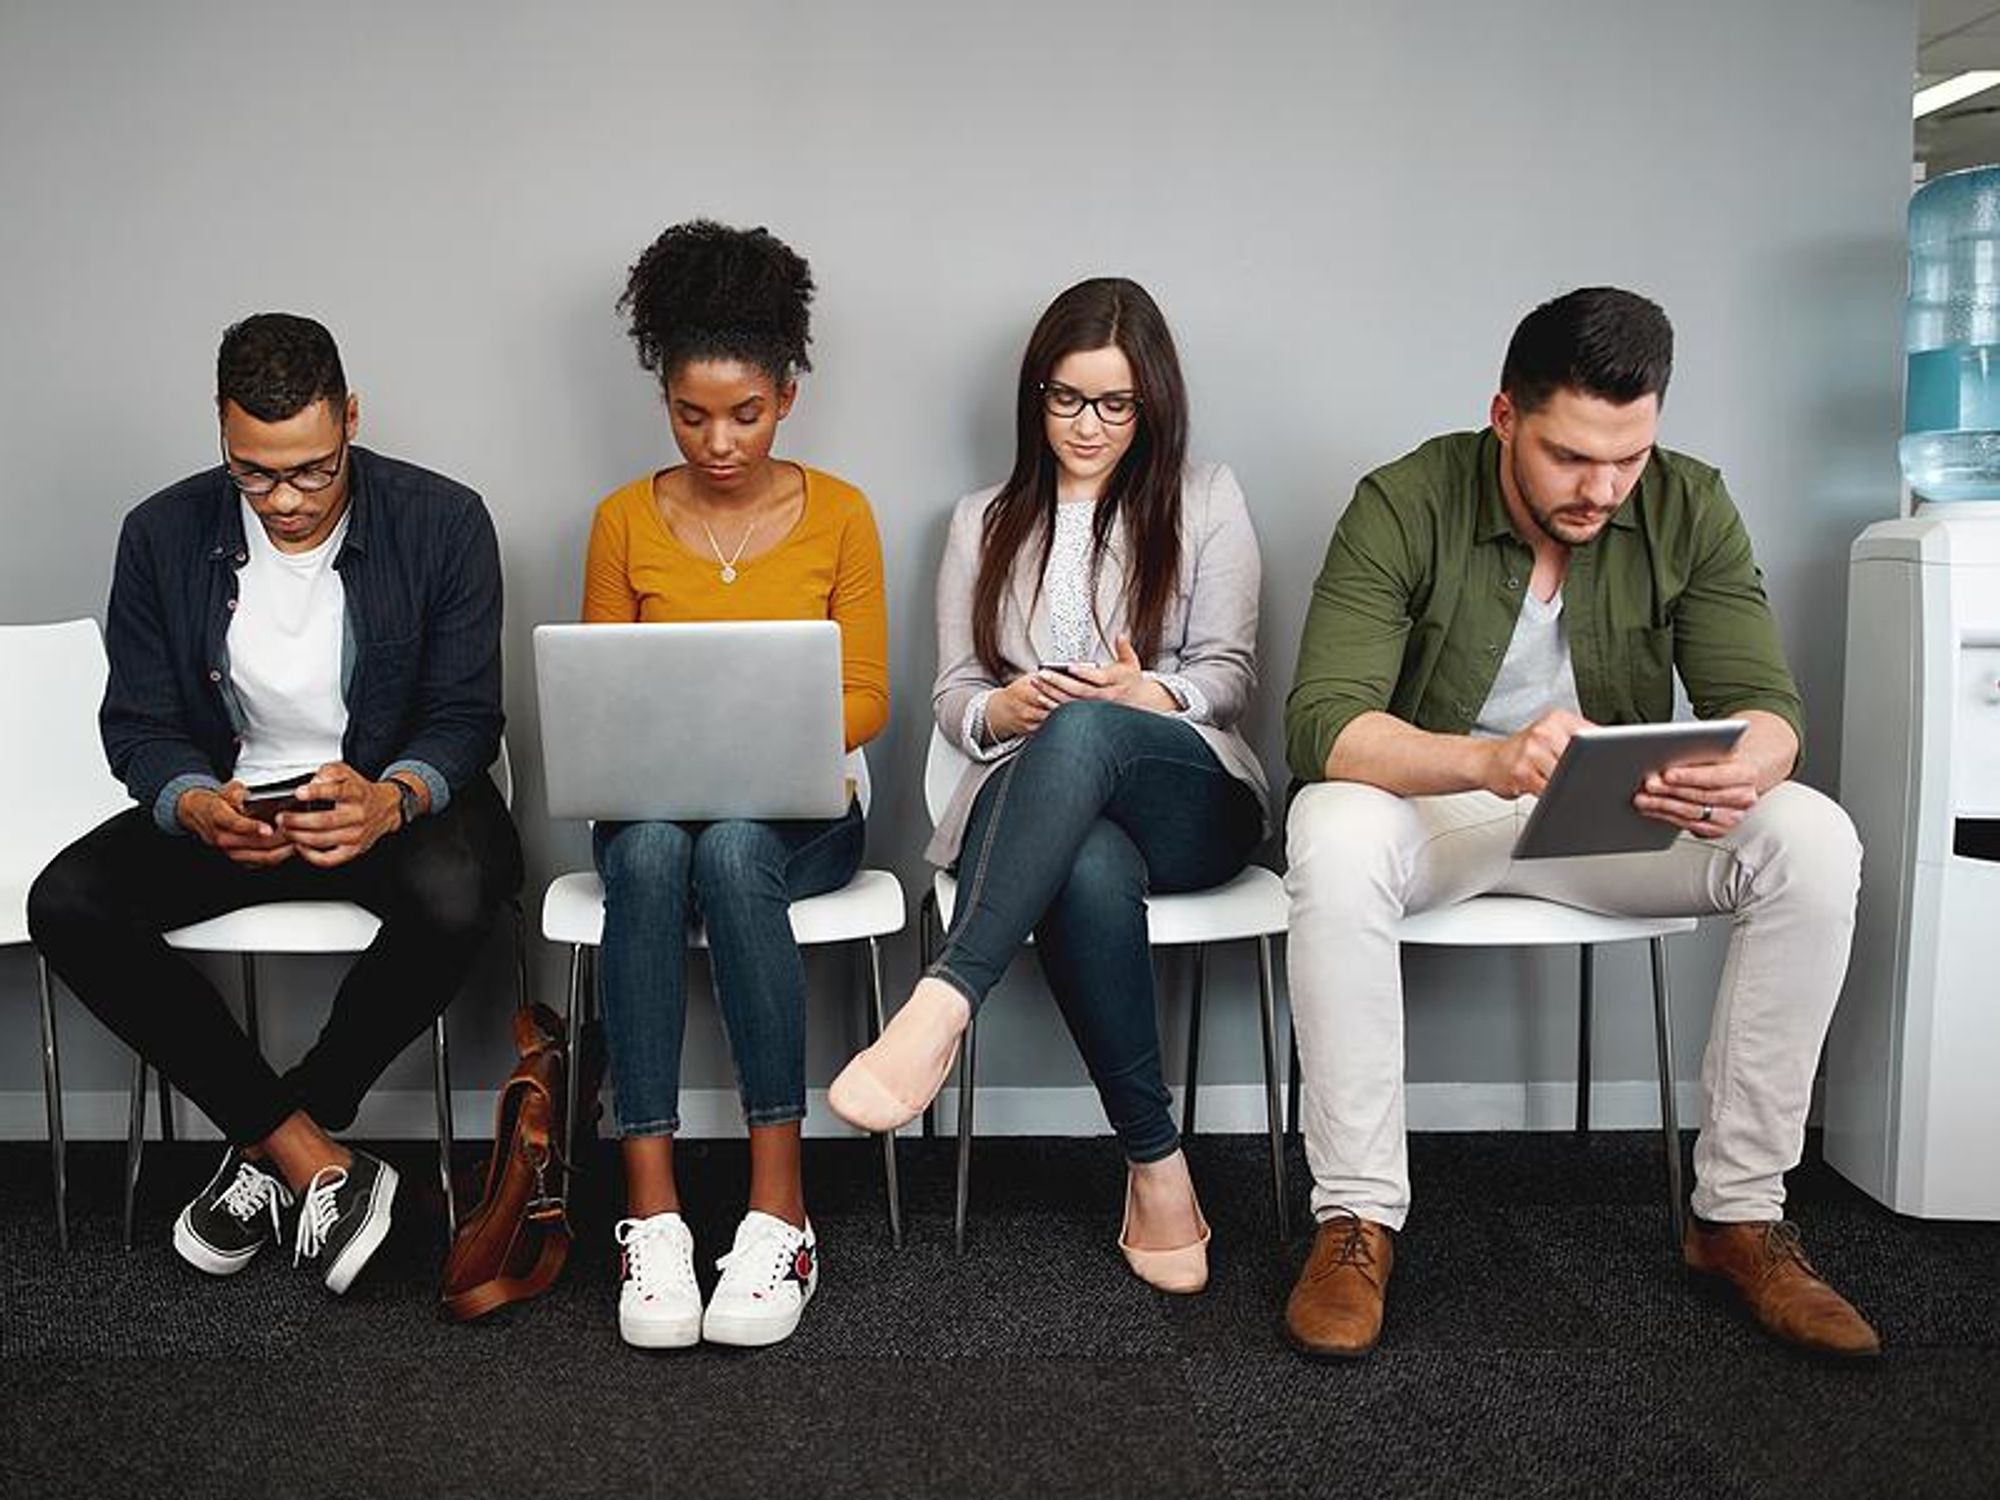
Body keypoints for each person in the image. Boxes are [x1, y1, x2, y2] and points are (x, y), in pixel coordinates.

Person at [1280, 287, 1876, 1359]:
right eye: (1568, 457)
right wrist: (1487, 760)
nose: (1601, 489)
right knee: (1331, 828)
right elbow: (1323, 722)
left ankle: (1737, 1218)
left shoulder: (1690, 503)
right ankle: (1355, 1221)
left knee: (1813, 837)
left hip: (1615, 818)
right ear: (1504, 416)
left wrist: (1738, 767)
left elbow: (1768, 710)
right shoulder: (1402, 500)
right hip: (1443, 809)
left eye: (1628, 458)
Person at [28, 313, 522, 1294]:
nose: (286, 500)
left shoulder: (443, 520)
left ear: (351, 419)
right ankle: (308, 1157)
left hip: (381, 802)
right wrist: (191, 803)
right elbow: (137, 723)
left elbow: (466, 717)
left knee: (463, 885)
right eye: (254, 474)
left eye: (311, 471)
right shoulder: (161, 533)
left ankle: (276, 1140)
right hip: (237, 808)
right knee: (68, 901)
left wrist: (390, 798)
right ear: (222, 431)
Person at [829, 277, 1267, 1294]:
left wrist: (1144, 694)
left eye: (1115, 403)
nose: (1088, 424)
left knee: (1089, 727)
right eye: (1066, 398)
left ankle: (944, 999)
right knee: (1085, 859)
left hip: (1185, 794)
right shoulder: (982, 519)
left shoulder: (1206, 498)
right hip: (1038, 804)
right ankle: (1156, 1164)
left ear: (1151, 403)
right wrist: (1004, 710)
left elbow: (1230, 677)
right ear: (1037, 395)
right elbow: (953, 695)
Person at [583, 220, 888, 1350]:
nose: (718, 441)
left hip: (800, 812)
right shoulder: (622, 520)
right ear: (664, 399)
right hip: (656, 811)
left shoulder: (841, 514)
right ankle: (652, 1214)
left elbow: (867, 695)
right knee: (660, 847)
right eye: (691, 415)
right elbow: (598, 693)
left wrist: (771, 740)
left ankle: (778, 1213)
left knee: (733, 846)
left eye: (746, 414)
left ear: (786, 397)